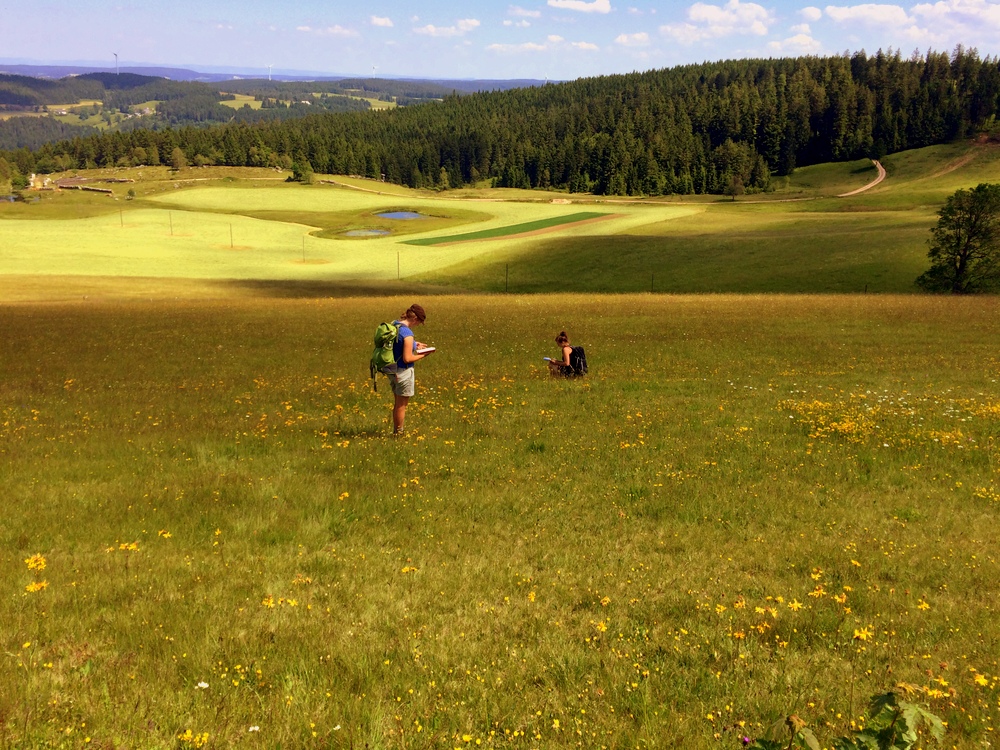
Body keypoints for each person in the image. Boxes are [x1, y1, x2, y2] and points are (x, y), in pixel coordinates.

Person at [388, 304, 433, 435]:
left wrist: (414, 344)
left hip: (392, 369)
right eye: (419, 322)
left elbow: (399, 342)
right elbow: (407, 358)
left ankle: (396, 430)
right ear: (415, 319)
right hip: (403, 371)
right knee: (402, 405)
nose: (418, 325)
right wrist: (424, 354)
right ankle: (399, 433)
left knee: (397, 403)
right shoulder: (407, 333)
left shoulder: (395, 325)